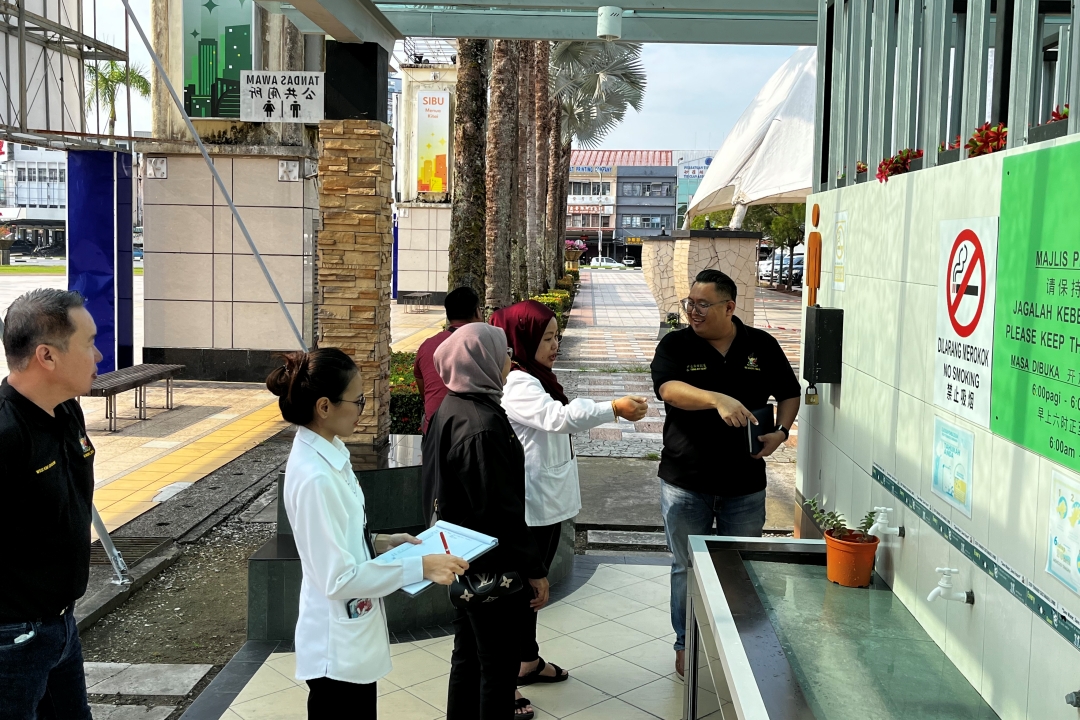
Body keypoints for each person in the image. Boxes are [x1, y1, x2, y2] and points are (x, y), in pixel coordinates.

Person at [267, 349, 468, 720]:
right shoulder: (315, 477)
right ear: (324, 406)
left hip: (351, 638)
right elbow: (338, 577)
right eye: (357, 399)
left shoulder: (330, 453)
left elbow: (334, 537)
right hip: (335, 647)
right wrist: (420, 567)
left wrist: (378, 543)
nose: (363, 407)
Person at [491, 300, 647, 700]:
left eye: (556, 335)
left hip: (545, 502)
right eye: (546, 337)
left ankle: (527, 659)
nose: (554, 344)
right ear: (520, 338)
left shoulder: (536, 374)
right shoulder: (518, 381)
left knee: (531, 592)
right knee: (523, 591)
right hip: (531, 505)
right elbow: (558, 418)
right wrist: (613, 407)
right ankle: (507, 678)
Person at [651, 269, 800, 680]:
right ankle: (686, 644)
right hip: (685, 481)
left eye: (702, 304)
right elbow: (667, 389)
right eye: (690, 303)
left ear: (729, 307)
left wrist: (782, 433)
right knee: (685, 567)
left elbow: (789, 391)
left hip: (745, 484)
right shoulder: (676, 344)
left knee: (741, 567)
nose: (693, 312)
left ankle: (739, 645)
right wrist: (716, 398)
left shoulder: (760, 345)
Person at [422, 323, 549, 720]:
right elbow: (500, 510)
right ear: (482, 361)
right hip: (491, 566)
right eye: (503, 352)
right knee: (497, 669)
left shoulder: (453, 406)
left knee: (469, 659)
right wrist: (535, 569)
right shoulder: (482, 426)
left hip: (464, 560)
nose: (510, 360)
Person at [0, 288, 102, 720]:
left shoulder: (66, 412)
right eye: (90, 343)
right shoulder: (6, 435)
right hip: (14, 639)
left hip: (61, 628)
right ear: (47, 356)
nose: (98, 356)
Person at [414, 286, 485, 434]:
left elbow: (424, 391)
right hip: (474, 432)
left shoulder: (427, 345)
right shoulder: (484, 344)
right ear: (478, 312)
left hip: (434, 431)